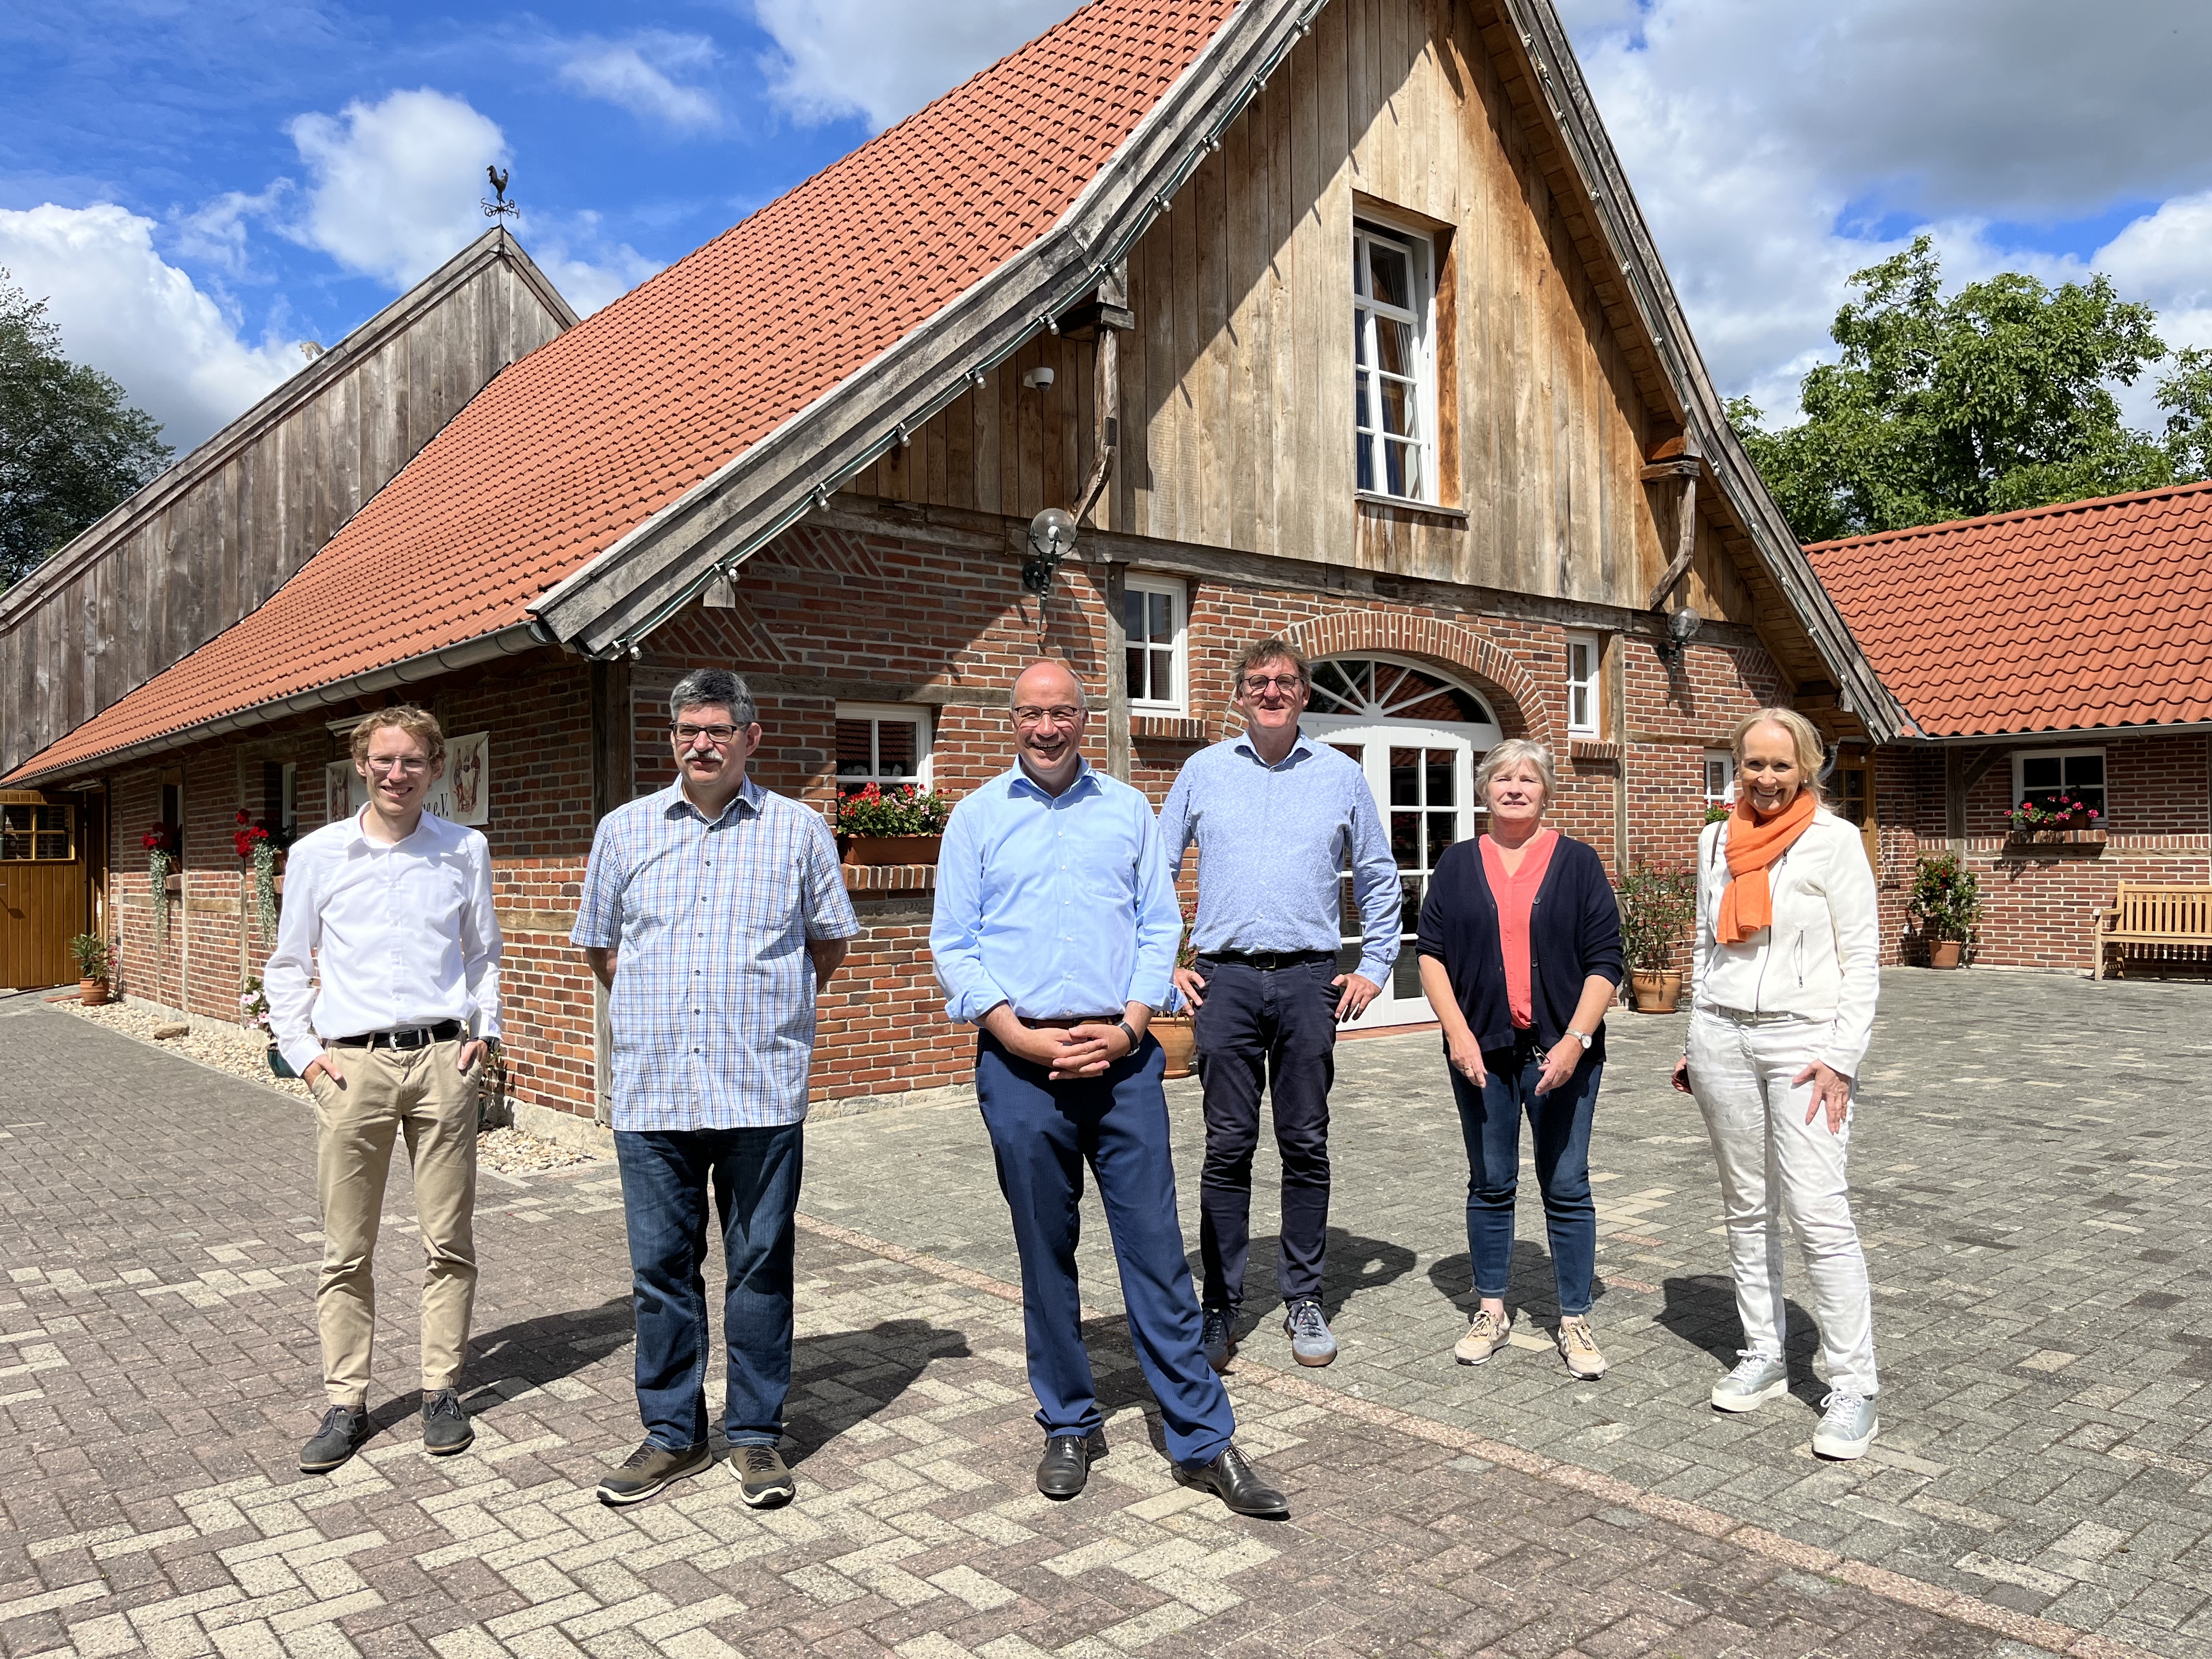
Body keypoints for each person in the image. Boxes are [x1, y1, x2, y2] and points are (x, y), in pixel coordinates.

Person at [930, 659, 1288, 1517]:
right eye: (1031, 714)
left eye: (1061, 714)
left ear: (1084, 720)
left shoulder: (1128, 811)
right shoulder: (976, 819)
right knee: (1045, 1252)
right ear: (1011, 720)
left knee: (1157, 1252)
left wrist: (1131, 1025)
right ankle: (1068, 1420)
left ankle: (1201, 1436)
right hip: (1020, 1063)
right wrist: (1015, 1032)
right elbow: (956, 944)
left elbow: (1160, 927)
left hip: (1122, 1059)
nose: (1046, 728)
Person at [572, 668, 859, 1507]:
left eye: (719, 731)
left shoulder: (798, 830)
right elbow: (601, 949)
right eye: (688, 731)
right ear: (673, 740)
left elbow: (828, 944)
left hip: (759, 1091)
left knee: (761, 1268)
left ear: (750, 739)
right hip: (655, 1095)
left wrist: (764, 1011)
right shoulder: (624, 832)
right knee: (661, 1270)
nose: (702, 744)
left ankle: (757, 1436)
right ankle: (671, 1435)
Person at [267, 706, 502, 1473]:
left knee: (448, 1241)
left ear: (437, 769)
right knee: (346, 1248)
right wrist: (303, 1056)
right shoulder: (318, 855)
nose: (396, 773)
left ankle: (441, 1390)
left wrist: (482, 1034)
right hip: (352, 1067)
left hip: (442, 1062)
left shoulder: (464, 850)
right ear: (360, 764)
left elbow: (483, 955)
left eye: (412, 762)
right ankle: (347, 1401)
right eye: (383, 759)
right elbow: (287, 963)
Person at [1158, 639, 1397, 1372]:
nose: (1271, 691)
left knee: (1305, 1143)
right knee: (1227, 1145)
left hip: (1307, 982)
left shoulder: (1340, 776)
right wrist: (1165, 967)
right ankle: (1222, 1305)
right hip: (1224, 981)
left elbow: (1381, 876)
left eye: (1285, 682)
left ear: (1304, 695)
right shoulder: (1202, 771)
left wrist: (1378, 963)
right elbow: (1153, 872)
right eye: (1258, 682)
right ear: (1238, 694)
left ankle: (1303, 1295)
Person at [1672, 707, 1882, 1459]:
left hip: (1804, 1042)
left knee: (1818, 1212)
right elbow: (1704, 942)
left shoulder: (1835, 841)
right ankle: (1763, 1352)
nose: (1764, 779)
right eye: (1752, 764)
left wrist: (1842, 1058)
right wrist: (1694, 1037)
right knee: (1746, 1204)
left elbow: (1862, 960)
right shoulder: (1715, 840)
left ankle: (1853, 1384)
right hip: (1722, 1034)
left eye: (1779, 766)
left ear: (1808, 768)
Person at [1415, 738, 1623, 1380]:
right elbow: (1430, 954)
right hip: (1483, 1055)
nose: (1514, 788)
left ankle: (1574, 1316)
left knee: (1566, 1186)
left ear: (1546, 790)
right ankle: (1492, 1309)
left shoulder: (1578, 863)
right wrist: (1458, 1033)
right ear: (1484, 789)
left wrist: (1575, 1041)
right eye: (1502, 778)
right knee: (1491, 1182)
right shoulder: (1455, 865)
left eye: (1527, 779)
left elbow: (1606, 962)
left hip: (1563, 1055)